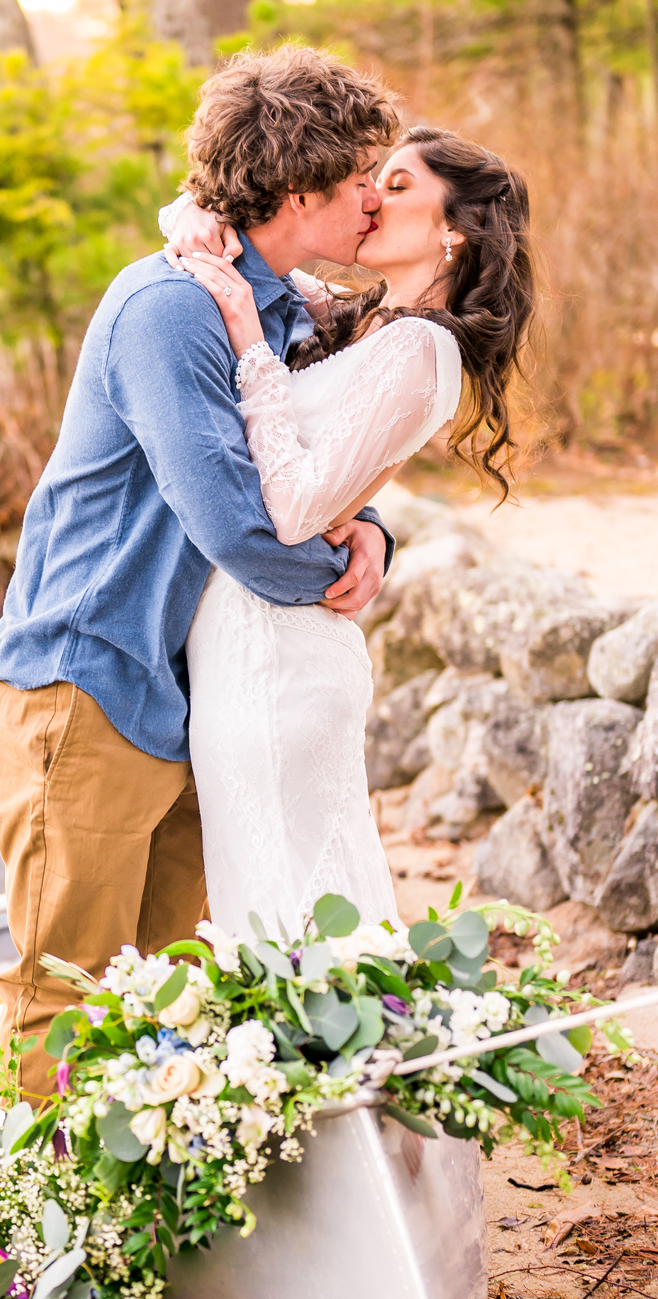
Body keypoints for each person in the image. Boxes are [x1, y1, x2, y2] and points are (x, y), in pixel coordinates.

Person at [0, 46, 401, 1099]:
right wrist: (330, 594)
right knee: (65, 993)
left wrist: (374, 531)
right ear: (298, 191)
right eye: (359, 180)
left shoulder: (276, 308)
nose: (371, 201)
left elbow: (308, 458)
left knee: (172, 990)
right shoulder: (168, 309)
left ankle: (158, 1242)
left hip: (183, 695)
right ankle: (44, 1246)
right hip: (86, 681)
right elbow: (235, 523)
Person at [162, 125, 536, 939]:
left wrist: (246, 337)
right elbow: (258, 248)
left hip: (281, 654)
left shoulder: (422, 352)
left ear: (456, 229)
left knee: (294, 908)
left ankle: (340, 1060)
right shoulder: (366, 322)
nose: (371, 197)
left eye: (398, 185)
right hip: (240, 641)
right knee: (261, 898)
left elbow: (295, 509)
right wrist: (190, 209)